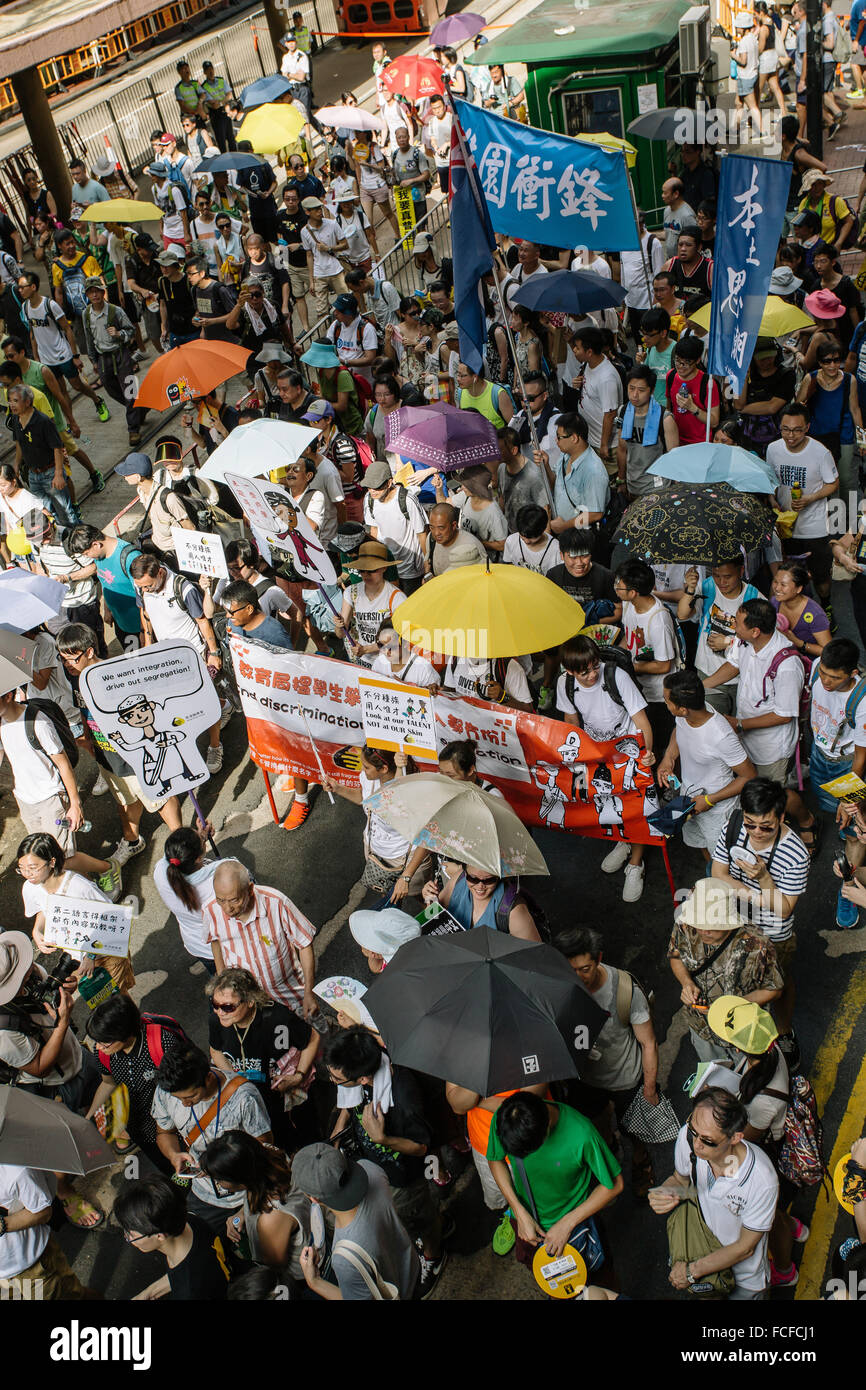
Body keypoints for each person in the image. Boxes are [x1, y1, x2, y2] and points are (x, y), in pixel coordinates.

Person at [322, 1026, 444, 1292]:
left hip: (404, 1175)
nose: (332, 1081)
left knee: (417, 1217)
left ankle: (434, 1255)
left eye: (336, 1078)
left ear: (364, 1079)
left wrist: (383, 1140)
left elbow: (423, 1147)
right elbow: (348, 1100)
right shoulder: (364, 1071)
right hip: (374, 1165)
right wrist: (340, 1127)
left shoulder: (404, 1098)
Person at [0, 931, 105, 1230]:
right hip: (51, 1085)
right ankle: (64, 1189)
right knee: (62, 1140)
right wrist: (61, 1022)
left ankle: (108, 1129)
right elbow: (40, 1067)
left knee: (99, 1091)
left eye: (25, 970)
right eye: (19, 982)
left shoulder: (31, 973)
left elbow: (53, 989)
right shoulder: (3, 1034)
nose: (30, 978)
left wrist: (67, 988)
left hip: (76, 1056)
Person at [554, 926, 659, 1197]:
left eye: (585, 969)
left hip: (625, 1078)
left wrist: (649, 1090)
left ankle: (640, 1161)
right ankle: (610, 1153)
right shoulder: (560, 986)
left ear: (598, 958)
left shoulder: (625, 990)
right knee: (595, 1126)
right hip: (585, 1080)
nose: (578, 976)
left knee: (635, 1131)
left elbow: (648, 1043)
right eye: (570, 969)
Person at [650, 1086, 779, 1299]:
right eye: (693, 1131)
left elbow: (745, 1248)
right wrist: (666, 1192)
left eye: (708, 1140)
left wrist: (691, 1272)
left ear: (735, 1137)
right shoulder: (688, 1138)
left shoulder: (762, 1181)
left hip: (744, 1278)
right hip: (702, 1252)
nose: (697, 1145)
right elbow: (681, 1178)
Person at [487, 1091, 623, 1275]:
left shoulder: (581, 1133)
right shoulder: (508, 1119)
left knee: (600, 1280)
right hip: (529, 1225)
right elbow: (495, 1160)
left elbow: (615, 1184)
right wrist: (519, 1211)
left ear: (547, 1130)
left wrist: (567, 1224)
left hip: (576, 1227)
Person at [702, 598, 809, 815]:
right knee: (752, 787)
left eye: (739, 623)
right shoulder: (744, 642)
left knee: (772, 796)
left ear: (756, 631)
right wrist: (700, 686)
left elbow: (784, 715)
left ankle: (806, 820)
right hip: (746, 737)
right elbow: (734, 665)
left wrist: (740, 724)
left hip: (771, 747)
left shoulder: (787, 665)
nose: (734, 626)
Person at [151, 1042, 271, 1233]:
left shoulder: (243, 1098)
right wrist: (174, 1154)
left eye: (190, 1096)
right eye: (178, 1098)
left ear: (207, 1078)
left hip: (245, 1192)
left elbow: (263, 1149)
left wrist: (244, 1208)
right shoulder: (166, 1091)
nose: (184, 1104)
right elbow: (165, 1133)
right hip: (203, 1193)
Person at [667, 878, 784, 1063]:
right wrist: (687, 983)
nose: (704, 931)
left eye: (712, 926)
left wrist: (731, 1007)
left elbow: (775, 989)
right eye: (700, 925)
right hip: (701, 1028)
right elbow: (675, 957)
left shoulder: (758, 945)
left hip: (743, 1032)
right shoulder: (685, 926)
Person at [128, 553, 225, 773]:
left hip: (193, 656)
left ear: (160, 573)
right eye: (141, 587)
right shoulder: (140, 587)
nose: (146, 590)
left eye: (149, 586)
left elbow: (202, 621)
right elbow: (145, 614)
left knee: (204, 704)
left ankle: (215, 745)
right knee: (178, 704)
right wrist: (147, 643)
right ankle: (223, 706)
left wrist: (213, 652)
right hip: (166, 659)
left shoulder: (184, 589)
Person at [294, 1141, 421, 1301]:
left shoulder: (344, 1258)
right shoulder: (370, 1169)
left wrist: (314, 1282)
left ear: (314, 1199)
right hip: (412, 1268)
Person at [207, 967, 318, 1149]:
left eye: (228, 1006)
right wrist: (237, 1084)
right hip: (250, 1099)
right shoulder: (216, 1021)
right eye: (215, 1004)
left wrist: (298, 1076)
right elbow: (215, 1050)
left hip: (282, 1097)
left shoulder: (277, 1018)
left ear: (250, 1001)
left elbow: (312, 1039)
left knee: (301, 1135)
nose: (220, 1012)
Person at [659, 669, 756, 860]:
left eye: (667, 701)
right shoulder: (685, 715)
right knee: (701, 845)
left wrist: (710, 800)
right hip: (689, 799)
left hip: (718, 811)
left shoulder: (721, 736)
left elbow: (749, 776)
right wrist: (668, 757)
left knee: (725, 860)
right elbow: (678, 730)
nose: (665, 704)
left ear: (683, 708)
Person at [85, 994, 189, 1171]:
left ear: (124, 1033)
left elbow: (187, 1086)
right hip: (139, 1127)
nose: (99, 1046)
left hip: (174, 1125)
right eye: (98, 1041)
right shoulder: (103, 1052)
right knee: (169, 1170)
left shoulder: (162, 1043)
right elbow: (108, 1083)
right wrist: (89, 1118)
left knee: (188, 1162)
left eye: (105, 1042)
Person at [203, 860, 317, 1017]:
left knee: (314, 1033)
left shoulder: (276, 903)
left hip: (291, 996)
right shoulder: (211, 911)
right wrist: (223, 984)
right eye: (221, 900)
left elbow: (304, 944)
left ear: (250, 889)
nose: (227, 909)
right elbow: (215, 943)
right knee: (278, 1041)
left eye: (234, 900)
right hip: (250, 1004)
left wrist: (309, 993)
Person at [17, 830, 129, 988]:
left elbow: (111, 917)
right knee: (99, 1001)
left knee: (118, 998)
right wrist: (37, 929)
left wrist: (90, 955)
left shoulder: (79, 886)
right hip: (77, 957)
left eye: (33, 868)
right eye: (21, 868)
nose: (27, 874)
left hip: (105, 953)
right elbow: (43, 908)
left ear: (52, 862)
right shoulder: (30, 888)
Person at [199, 1131, 311, 1286]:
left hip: (296, 1279)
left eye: (219, 1179)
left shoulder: (271, 1218)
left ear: (241, 1178)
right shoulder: (266, 1154)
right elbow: (253, 1197)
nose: (217, 1183)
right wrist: (239, 1216)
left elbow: (273, 1267)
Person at [115, 1175, 230, 1301]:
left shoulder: (189, 1292)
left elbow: (185, 1278)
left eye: (130, 1234)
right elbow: (180, 1275)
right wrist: (148, 1293)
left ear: (160, 1236)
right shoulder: (190, 1220)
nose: (127, 1237)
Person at [677, 557, 761, 716]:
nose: (721, 582)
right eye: (716, 575)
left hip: (742, 680)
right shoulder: (708, 587)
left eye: (727, 576)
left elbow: (761, 642)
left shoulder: (754, 598)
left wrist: (729, 642)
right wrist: (690, 589)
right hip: (707, 671)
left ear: (741, 571)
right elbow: (682, 614)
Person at [615, 558, 682, 751]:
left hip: (658, 697)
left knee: (657, 745)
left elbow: (663, 665)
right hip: (637, 688)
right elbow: (628, 639)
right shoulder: (629, 604)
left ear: (633, 592)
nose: (617, 588)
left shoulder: (658, 620)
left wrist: (629, 666)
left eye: (620, 585)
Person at [0, 1157, 91, 1299]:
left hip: (30, 1266)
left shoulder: (15, 1171)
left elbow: (43, 1212)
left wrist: (3, 1225)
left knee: (74, 1297)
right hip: (4, 1275)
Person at [7, 383, 79, 528]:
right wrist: (16, 465)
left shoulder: (43, 421)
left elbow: (57, 448)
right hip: (33, 475)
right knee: (44, 512)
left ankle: (77, 540)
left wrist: (58, 474)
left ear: (27, 402)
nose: (11, 404)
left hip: (50, 473)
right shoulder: (15, 420)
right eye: (10, 400)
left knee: (65, 513)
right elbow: (19, 443)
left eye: (15, 401)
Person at [797, 341, 861, 499]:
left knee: (847, 479)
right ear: (819, 362)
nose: (832, 365)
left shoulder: (849, 380)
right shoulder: (810, 379)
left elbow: (855, 409)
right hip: (817, 437)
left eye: (837, 361)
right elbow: (798, 408)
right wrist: (807, 397)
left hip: (843, 436)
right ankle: (830, 519)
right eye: (827, 361)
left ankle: (853, 518)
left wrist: (862, 439)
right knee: (822, 480)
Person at [152, 822, 221, 969]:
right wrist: (200, 839)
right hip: (224, 948)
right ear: (197, 859)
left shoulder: (161, 871)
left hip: (197, 945)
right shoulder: (216, 883)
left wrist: (200, 836)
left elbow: (176, 850)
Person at [66, 523, 143, 651]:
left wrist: (144, 632)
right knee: (133, 660)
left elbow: (146, 597)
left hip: (138, 629)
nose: (87, 557)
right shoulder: (99, 556)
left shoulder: (130, 558)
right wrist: (107, 610)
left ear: (96, 544)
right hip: (122, 625)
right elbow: (105, 582)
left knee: (144, 664)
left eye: (86, 553)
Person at [535, 411, 609, 533]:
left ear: (574, 438)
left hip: (579, 536)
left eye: (559, 437)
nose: (556, 441)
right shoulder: (565, 456)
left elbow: (595, 514)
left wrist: (564, 526)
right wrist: (546, 466)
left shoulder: (593, 471)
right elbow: (555, 484)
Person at [422, 866, 542, 940]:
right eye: (473, 878)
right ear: (465, 872)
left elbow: (534, 956)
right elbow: (433, 921)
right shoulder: (458, 880)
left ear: (499, 876)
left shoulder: (514, 910)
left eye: (489, 880)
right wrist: (430, 900)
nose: (480, 886)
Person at [361, 457, 428, 590]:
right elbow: (373, 530)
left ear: (389, 483)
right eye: (369, 487)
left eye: (377, 487)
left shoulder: (407, 500)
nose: (372, 491)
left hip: (411, 569)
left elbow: (422, 534)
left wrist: (426, 566)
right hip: (386, 567)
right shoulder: (369, 500)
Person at [615, 365, 678, 499]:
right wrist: (621, 480)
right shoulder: (624, 412)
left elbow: (674, 457)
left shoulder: (665, 419)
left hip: (657, 489)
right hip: (633, 486)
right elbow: (622, 449)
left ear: (652, 390)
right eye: (631, 388)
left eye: (641, 390)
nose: (635, 395)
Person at [567, 326, 622, 465]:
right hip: (592, 438)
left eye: (577, 348)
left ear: (589, 352)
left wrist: (604, 445)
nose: (574, 350)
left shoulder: (606, 378)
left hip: (606, 445)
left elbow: (610, 413)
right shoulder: (588, 364)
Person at [664, 334, 721, 444]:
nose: (680, 366)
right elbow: (669, 407)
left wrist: (692, 407)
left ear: (698, 360)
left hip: (700, 443)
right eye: (677, 360)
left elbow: (714, 422)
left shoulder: (708, 383)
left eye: (686, 363)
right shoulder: (670, 376)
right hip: (676, 440)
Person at [770, 560, 831, 661]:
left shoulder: (815, 615)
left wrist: (798, 643)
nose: (777, 588)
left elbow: (827, 651)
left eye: (783, 585)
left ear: (799, 589)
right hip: (783, 657)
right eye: (775, 582)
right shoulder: (775, 602)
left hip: (809, 664)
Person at [424, 501, 488, 577]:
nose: (436, 533)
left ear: (454, 525)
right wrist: (427, 575)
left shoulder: (471, 546)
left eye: (441, 528)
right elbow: (427, 562)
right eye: (432, 527)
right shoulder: (431, 539)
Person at [664, 226, 713, 311]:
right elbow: (658, 297)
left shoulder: (710, 268)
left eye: (688, 245)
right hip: (675, 320)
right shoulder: (669, 265)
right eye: (680, 245)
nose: (683, 249)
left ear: (699, 247)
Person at [502, 504, 557, 574]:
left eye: (532, 538)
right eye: (523, 536)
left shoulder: (555, 549)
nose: (527, 541)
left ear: (543, 530)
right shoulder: (511, 541)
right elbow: (509, 565)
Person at [661, 177, 697, 259]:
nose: (662, 196)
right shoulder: (667, 211)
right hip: (671, 261)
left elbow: (693, 243)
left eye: (665, 193)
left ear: (676, 194)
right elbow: (668, 233)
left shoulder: (687, 216)